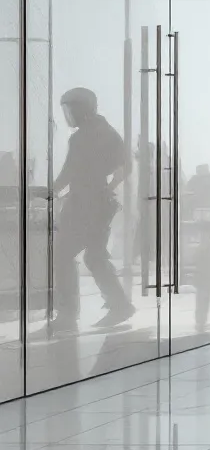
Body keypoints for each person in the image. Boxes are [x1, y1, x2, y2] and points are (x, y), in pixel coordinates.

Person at [50, 87, 134, 332]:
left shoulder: (81, 137)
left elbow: (70, 171)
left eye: (70, 110)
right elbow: (126, 165)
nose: (68, 115)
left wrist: (51, 190)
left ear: (81, 109)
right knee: (95, 256)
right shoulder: (108, 132)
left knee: (63, 255)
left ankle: (68, 313)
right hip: (101, 203)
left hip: (83, 204)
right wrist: (109, 187)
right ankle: (120, 305)